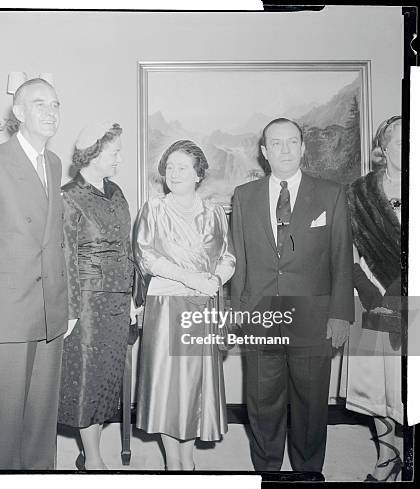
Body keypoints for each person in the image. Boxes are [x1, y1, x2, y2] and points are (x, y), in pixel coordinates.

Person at [0, 78, 77, 470]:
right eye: (40, 104)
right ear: (20, 113)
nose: (51, 112)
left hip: (50, 311)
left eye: (56, 104)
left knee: (42, 415)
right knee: (6, 415)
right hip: (8, 313)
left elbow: (57, 240)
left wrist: (68, 305)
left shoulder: (55, 162)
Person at [230, 118, 354, 474]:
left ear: (302, 148)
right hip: (260, 315)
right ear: (265, 152)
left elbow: (341, 257)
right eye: (276, 144)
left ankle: (308, 472)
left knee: (311, 405)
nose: (284, 149)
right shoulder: (244, 196)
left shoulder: (331, 193)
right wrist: (238, 314)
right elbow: (239, 260)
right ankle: (267, 471)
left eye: (291, 142)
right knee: (261, 402)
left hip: (314, 317)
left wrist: (340, 314)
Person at [134, 140, 235, 471]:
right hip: (165, 306)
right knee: (167, 386)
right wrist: (194, 279)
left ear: (198, 174)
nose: (173, 173)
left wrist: (216, 281)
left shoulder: (214, 212)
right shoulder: (154, 209)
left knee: (193, 386)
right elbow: (146, 256)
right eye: (169, 167)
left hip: (203, 305)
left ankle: (186, 462)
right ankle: (171, 465)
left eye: (182, 168)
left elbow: (228, 257)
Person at [57, 122, 138, 470]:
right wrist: (71, 310)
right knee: (88, 379)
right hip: (87, 303)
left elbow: (126, 248)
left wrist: (133, 297)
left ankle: (90, 448)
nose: (120, 158)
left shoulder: (116, 191)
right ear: (92, 155)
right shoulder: (68, 197)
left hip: (119, 302)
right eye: (115, 152)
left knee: (107, 379)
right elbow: (65, 258)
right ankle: (93, 459)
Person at [343, 116, 403, 481]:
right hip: (373, 297)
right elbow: (345, 251)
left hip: (414, 298)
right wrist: (370, 294)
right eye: (399, 141)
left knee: (409, 383)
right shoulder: (358, 193)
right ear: (383, 147)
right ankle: (387, 456)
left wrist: (399, 289)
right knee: (377, 386)